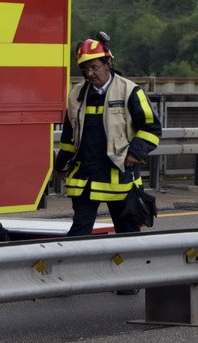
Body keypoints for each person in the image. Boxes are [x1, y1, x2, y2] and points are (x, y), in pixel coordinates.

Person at [55, 34, 161, 239]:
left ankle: (133, 269)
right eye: (85, 69)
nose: (90, 73)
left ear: (107, 63)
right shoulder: (77, 93)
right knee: (78, 234)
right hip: (86, 176)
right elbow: (69, 135)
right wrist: (61, 164)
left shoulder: (129, 91)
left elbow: (152, 127)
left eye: (94, 67)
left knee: (127, 234)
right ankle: (72, 270)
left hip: (119, 173)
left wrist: (135, 152)